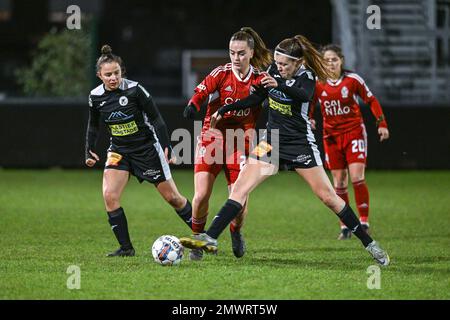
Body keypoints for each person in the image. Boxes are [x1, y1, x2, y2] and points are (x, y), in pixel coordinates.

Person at [180, 35, 390, 266]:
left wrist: (278, 83)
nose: (279, 67)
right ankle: (210, 237)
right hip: (272, 141)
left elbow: (304, 95)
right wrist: (229, 106)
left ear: (298, 62)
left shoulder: (307, 76)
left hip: (300, 144)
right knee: (240, 188)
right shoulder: (274, 71)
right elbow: (257, 97)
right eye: (277, 63)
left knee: (329, 198)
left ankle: (369, 243)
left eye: (284, 64)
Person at [85, 45, 192, 257]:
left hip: (146, 149)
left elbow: (157, 119)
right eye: (108, 75)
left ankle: (204, 235)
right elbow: (93, 125)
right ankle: (126, 248)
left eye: (116, 73)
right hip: (119, 151)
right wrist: (89, 149)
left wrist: (167, 146)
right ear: (99, 76)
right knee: (109, 195)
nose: (113, 78)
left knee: (173, 198)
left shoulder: (135, 90)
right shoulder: (95, 97)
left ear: (121, 71)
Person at [183, 27, 272, 260]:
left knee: (238, 200)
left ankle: (235, 231)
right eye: (232, 52)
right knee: (201, 195)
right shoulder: (221, 73)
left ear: (251, 53)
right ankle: (197, 240)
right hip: (212, 138)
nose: (236, 58)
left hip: (241, 143)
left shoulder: (259, 79)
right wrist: (193, 104)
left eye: (241, 53)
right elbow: (202, 91)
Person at [309, 44, 389, 240]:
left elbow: (371, 100)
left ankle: (363, 221)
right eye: (326, 60)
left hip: (354, 133)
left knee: (356, 177)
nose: (330, 64)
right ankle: (345, 225)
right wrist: (310, 117)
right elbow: (309, 103)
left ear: (341, 61)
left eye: (334, 60)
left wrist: (382, 124)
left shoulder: (352, 80)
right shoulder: (318, 84)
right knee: (339, 182)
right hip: (331, 137)